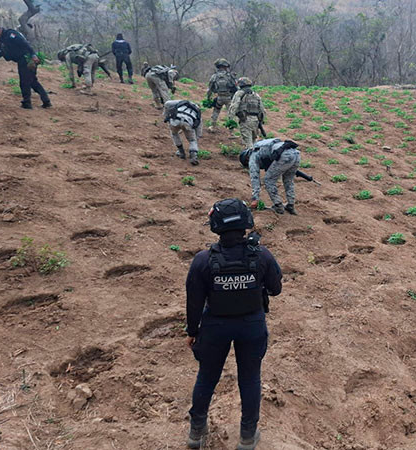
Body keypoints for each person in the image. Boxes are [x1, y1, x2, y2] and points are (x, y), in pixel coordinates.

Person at [185, 198, 282, 450]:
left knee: (206, 377)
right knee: (249, 378)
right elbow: (276, 289)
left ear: (214, 225)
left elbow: (194, 302)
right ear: (246, 223)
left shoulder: (202, 260)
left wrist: (192, 332)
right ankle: (247, 437)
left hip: (214, 326)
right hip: (251, 325)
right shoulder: (262, 255)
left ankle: (196, 432)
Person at [0, 23, 50, 109]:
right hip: (22, 60)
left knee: (24, 82)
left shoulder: (11, 34)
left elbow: (25, 43)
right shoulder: (3, 39)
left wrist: (33, 55)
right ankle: (46, 101)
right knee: (32, 81)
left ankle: (27, 103)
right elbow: (0, 52)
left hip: (26, 59)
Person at [239, 139, 301, 215]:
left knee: (268, 180)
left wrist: (255, 198)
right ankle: (290, 205)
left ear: (246, 158)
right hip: (296, 153)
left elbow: (255, 178)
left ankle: (278, 206)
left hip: (284, 155)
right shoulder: (260, 147)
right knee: (288, 180)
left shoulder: (252, 156)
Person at [228, 77, 264, 150]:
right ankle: (255, 157)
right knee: (254, 142)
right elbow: (262, 110)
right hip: (256, 121)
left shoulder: (239, 93)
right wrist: (261, 121)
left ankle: (251, 159)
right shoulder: (255, 94)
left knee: (248, 144)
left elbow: (234, 106)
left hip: (245, 120)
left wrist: (231, 119)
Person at [163, 100, 202, 166]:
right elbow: (199, 128)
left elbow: (167, 103)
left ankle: (181, 152)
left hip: (176, 119)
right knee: (192, 140)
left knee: (174, 134)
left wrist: (166, 115)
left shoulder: (182, 103)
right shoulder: (197, 111)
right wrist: (196, 138)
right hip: (188, 122)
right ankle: (193, 157)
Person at [206, 58, 237, 132]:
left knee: (216, 111)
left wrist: (208, 98)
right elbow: (236, 87)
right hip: (229, 98)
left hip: (219, 97)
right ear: (225, 66)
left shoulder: (214, 76)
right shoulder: (230, 76)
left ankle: (213, 126)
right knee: (230, 114)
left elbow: (210, 89)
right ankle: (231, 132)